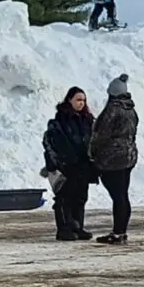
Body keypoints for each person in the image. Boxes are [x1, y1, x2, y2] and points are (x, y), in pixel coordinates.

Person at [90, 74, 139, 245]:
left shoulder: (112, 110)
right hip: (129, 157)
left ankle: (118, 232)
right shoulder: (131, 109)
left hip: (112, 159)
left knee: (118, 196)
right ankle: (121, 231)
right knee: (122, 195)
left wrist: (93, 154)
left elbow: (100, 134)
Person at [42, 86, 96, 241]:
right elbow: (55, 142)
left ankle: (77, 226)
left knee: (80, 197)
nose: (81, 103)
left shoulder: (87, 119)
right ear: (69, 100)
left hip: (83, 165)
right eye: (78, 99)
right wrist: (59, 162)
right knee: (64, 197)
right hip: (66, 166)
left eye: (83, 100)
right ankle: (64, 228)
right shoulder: (60, 120)